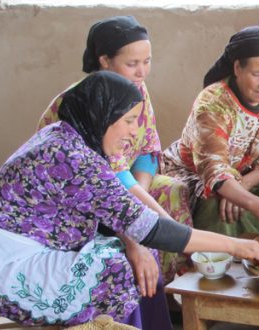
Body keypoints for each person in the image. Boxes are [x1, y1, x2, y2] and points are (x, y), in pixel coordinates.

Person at [0, 72, 259, 327]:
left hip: (24, 246)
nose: (134, 131)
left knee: (135, 253)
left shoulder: (65, 135)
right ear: (103, 115)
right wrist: (236, 245)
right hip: (3, 262)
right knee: (117, 270)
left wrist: (137, 244)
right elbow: (152, 229)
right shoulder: (75, 159)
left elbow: (123, 215)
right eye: (129, 120)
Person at [37, 16, 192, 285]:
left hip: (124, 182)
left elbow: (146, 149)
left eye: (147, 61)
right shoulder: (89, 100)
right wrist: (165, 226)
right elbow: (107, 178)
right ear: (105, 61)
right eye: (132, 64)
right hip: (81, 194)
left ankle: (169, 285)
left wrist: (143, 196)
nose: (142, 72)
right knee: (152, 222)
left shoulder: (137, 90)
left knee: (172, 190)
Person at [162, 19, 259, 239]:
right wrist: (243, 197)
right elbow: (213, 172)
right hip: (195, 174)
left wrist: (243, 185)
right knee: (217, 203)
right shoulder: (214, 102)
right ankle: (221, 264)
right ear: (237, 69)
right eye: (257, 74)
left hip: (243, 172)